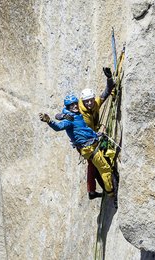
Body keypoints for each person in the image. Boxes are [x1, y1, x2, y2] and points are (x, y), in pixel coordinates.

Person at [55, 67, 115, 199]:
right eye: (86, 101)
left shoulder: (95, 104)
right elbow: (60, 114)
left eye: (90, 100)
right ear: (82, 101)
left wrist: (109, 78)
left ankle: (92, 191)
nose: (89, 103)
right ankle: (96, 190)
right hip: (85, 143)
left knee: (93, 164)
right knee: (93, 163)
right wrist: (62, 116)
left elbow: (106, 92)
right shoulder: (79, 111)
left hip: (93, 137)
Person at [39, 94, 114, 197]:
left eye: (75, 104)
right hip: (88, 148)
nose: (74, 106)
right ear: (68, 107)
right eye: (71, 105)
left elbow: (84, 130)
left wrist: (96, 135)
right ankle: (111, 193)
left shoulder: (79, 115)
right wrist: (49, 121)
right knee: (105, 169)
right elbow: (58, 127)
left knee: (100, 164)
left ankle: (100, 189)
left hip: (93, 143)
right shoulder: (69, 120)